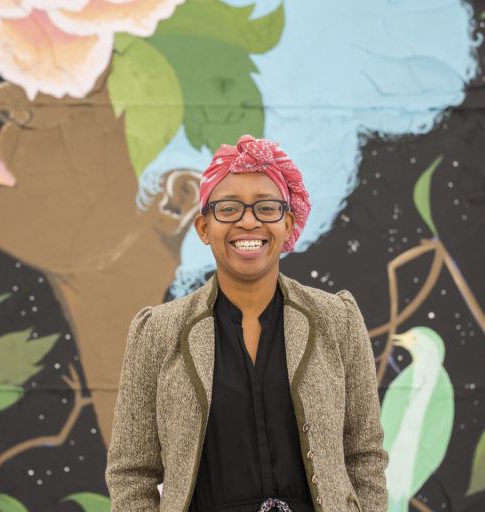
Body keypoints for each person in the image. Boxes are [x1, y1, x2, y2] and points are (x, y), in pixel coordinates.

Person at [105, 135, 388, 512]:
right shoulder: (158, 332)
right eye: (229, 209)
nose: (249, 221)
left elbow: (364, 455)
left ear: (288, 224)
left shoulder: (337, 320)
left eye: (266, 208)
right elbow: (131, 473)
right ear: (204, 228)